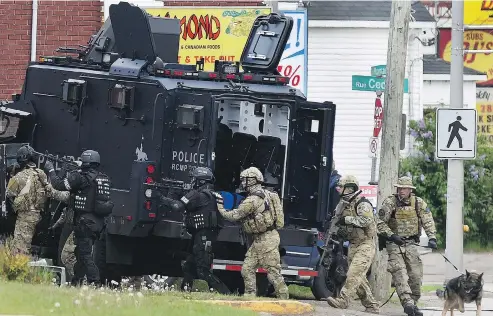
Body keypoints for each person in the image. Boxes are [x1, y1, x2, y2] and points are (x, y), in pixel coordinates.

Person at [213, 166, 289, 299]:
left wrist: (220, 206)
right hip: (263, 239)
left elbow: (235, 216)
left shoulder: (252, 200)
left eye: (245, 180)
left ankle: (285, 300)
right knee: (247, 269)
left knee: (273, 273)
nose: (243, 183)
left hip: (266, 239)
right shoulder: (268, 195)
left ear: (253, 180)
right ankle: (249, 296)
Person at [44, 149, 114, 286]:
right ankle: (76, 282)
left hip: (85, 223)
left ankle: (96, 282)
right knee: (80, 255)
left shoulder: (80, 178)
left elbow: (58, 185)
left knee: (85, 256)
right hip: (98, 223)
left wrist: (52, 170)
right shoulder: (102, 178)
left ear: (86, 162)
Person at [157, 167, 230, 294]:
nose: (192, 182)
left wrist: (161, 197)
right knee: (189, 265)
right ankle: (185, 292)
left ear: (200, 181)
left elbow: (177, 206)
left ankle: (226, 294)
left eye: (194, 179)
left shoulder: (197, 195)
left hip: (203, 236)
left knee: (203, 271)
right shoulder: (212, 195)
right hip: (205, 236)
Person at [377, 176, 437, 316]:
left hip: (411, 243)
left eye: (404, 188)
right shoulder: (390, 202)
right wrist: (391, 235)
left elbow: (427, 220)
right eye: (399, 188)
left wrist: (432, 237)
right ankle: (407, 302)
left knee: (415, 275)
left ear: (410, 189)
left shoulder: (418, 203)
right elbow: (379, 222)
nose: (401, 191)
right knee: (400, 273)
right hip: (394, 243)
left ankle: (413, 303)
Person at [326, 175, 380, 314]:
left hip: (366, 244)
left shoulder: (362, 203)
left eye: (342, 187)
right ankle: (372, 305)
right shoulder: (343, 204)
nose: (339, 189)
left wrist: (347, 219)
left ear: (350, 188)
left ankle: (343, 300)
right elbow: (339, 222)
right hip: (353, 244)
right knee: (358, 277)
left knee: (353, 274)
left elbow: (366, 221)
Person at [6, 145, 70, 255]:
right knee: (27, 243)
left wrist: (12, 174)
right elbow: (51, 191)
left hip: (25, 216)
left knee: (20, 249)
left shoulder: (19, 177)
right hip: (37, 215)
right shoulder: (41, 173)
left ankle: (22, 269)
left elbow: (8, 193)